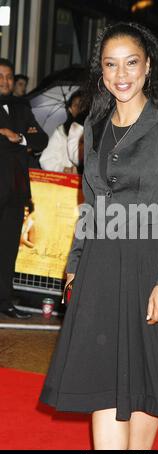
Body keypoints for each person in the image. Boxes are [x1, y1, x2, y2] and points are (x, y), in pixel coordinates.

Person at [39, 22, 158, 450]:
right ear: (101, 73)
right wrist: (74, 265)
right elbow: (89, 203)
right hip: (99, 268)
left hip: (150, 265)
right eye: (111, 65)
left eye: (131, 63)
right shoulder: (94, 125)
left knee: (147, 377)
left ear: (148, 66)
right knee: (102, 382)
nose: (121, 74)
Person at [0, 58, 48, 319]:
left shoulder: (21, 106)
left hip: (17, 190)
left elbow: (41, 138)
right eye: (0, 76)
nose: (5, 81)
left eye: (8, 76)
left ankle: (4, 300)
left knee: (8, 248)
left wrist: (18, 137)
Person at [39, 91, 84, 173]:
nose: (79, 108)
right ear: (70, 109)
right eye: (75, 105)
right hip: (66, 181)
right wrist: (64, 169)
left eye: (82, 105)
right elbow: (45, 160)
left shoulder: (93, 129)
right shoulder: (61, 131)